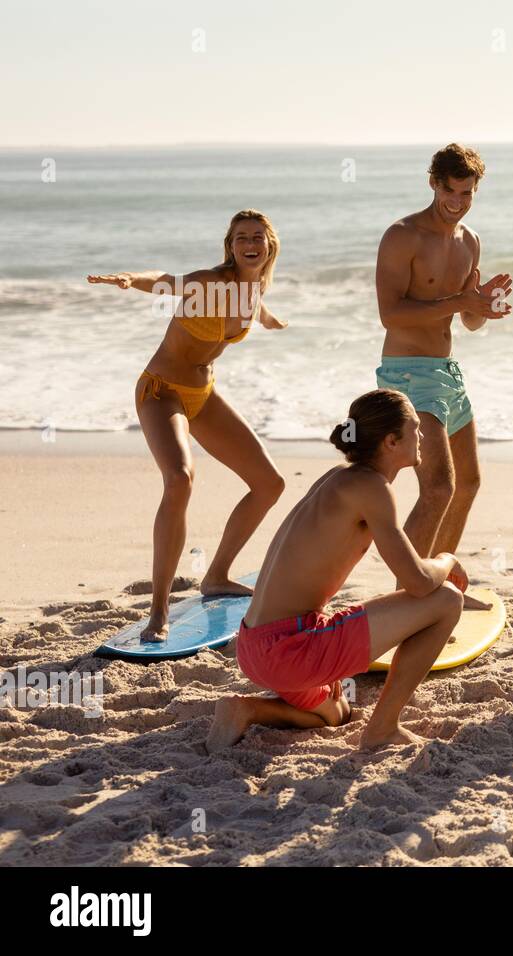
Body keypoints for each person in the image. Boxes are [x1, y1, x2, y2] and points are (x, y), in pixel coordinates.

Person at [206, 389, 466, 751]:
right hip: (290, 651)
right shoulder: (371, 487)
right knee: (447, 600)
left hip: (254, 646)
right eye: (415, 429)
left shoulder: (340, 477)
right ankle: (382, 729)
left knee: (335, 713)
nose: (422, 437)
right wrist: (448, 560)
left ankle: (246, 709)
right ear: (391, 441)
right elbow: (420, 583)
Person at [87, 210, 287, 641]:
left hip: (203, 393)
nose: (249, 243)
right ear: (230, 247)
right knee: (179, 479)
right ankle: (158, 609)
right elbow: (166, 281)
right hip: (161, 391)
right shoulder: (210, 282)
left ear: (269, 244)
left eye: (257, 237)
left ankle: (215, 576)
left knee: (269, 483)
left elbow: (257, 309)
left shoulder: (255, 288)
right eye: (240, 238)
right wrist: (129, 279)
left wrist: (271, 320)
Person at [374, 144, 511, 608]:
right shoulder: (402, 235)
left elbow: (468, 321)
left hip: (447, 373)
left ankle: (441, 581)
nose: (458, 200)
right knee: (438, 486)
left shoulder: (470, 241)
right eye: (450, 190)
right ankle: (404, 601)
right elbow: (390, 314)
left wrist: (484, 308)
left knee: (468, 482)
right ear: (433, 183)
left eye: (467, 192)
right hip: (408, 375)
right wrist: (461, 303)